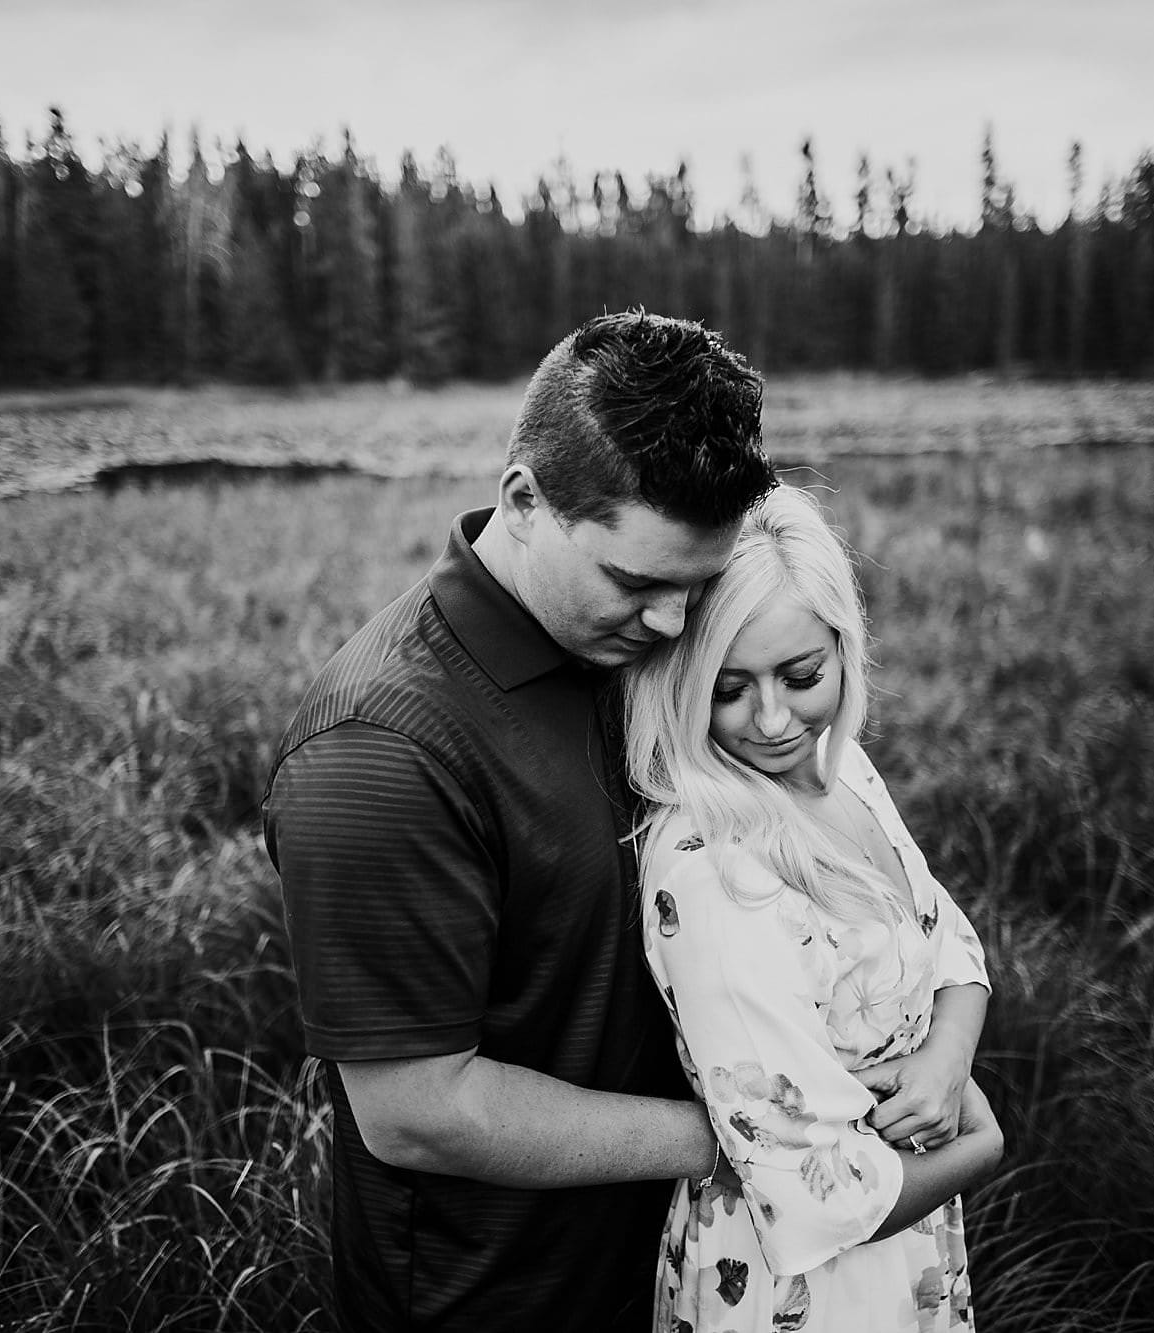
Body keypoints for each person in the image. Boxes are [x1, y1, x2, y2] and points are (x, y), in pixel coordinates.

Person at [261, 311, 781, 1331]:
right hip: (496, 1295)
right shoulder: (380, 751)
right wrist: (741, 1138)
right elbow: (418, 1112)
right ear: (521, 499)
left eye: (696, 586)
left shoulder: (633, 646)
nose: (674, 627)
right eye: (634, 582)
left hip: (686, 1266)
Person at [623, 484, 1002, 1333]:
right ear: (680, 681)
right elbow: (812, 1194)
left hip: (909, 1237)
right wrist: (983, 1144)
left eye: (802, 676)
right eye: (727, 689)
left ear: (843, 648)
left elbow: (945, 937)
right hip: (796, 1287)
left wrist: (947, 1055)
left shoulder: (842, 770)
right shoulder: (713, 872)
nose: (771, 719)